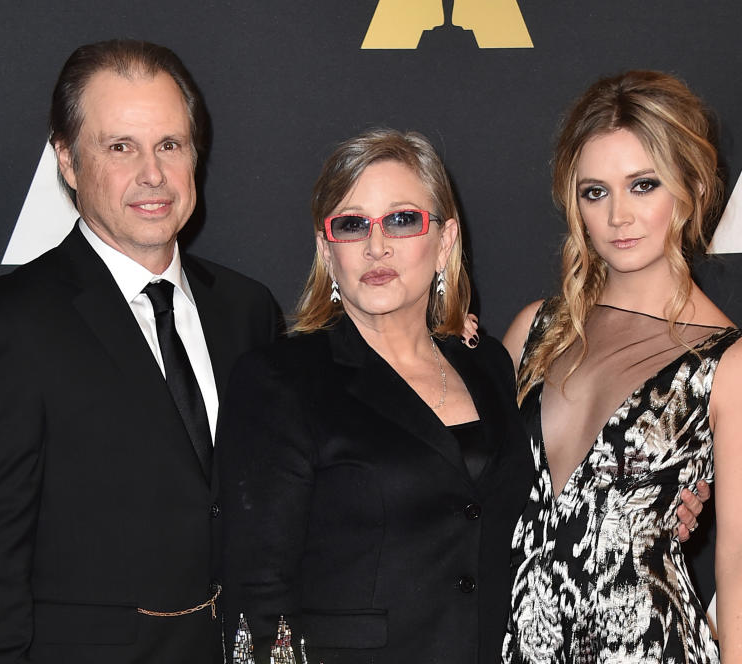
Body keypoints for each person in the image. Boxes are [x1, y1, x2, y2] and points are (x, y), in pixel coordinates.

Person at [0, 40, 280, 664]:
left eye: (170, 145)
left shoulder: (247, 310)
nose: (152, 174)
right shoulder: (11, 322)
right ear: (68, 161)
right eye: (120, 147)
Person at [218, 128, 534, 663]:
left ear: (446, 240)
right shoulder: (281, 379)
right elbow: (257, 591)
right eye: (352, 224)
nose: (376, 245)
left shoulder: (487, 364)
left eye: (403, 219)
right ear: (326, 247)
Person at [501, 70, 742, 663]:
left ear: (693, 189)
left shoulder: (735, 365)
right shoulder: (535, 331)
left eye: (643, 185)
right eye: (595, 191)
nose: (618, 216)